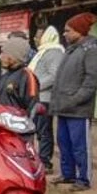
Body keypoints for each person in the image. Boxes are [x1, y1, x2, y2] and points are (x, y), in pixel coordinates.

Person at [50, 12, 97, 192]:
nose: (64, 34)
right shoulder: (71, 49)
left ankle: (83, 178)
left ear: (79, 31)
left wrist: (74, 100)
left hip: (78, 110)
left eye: (68, 31)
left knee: (80, 146)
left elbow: (90, 83)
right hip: (64, 108)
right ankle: (68, 174)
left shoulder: (92, 51)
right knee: (64, 143)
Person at [28, 26, 65, 173]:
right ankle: (37, 159)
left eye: (38, 36)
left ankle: (45, 161)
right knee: (36, 130)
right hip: (37, 98)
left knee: (44, 132)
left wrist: (35, 86)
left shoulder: (54, 52)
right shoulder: (43, 52)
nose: (35, 39)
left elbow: (54, 76)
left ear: (46, 37)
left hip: (44, 98)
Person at [0, 36, 39, 115]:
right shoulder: (5, 76)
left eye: (3, 53)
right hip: (2, 124)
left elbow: (33, 108)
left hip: (17, 125)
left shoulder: (27, 77)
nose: (0, 57)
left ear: (14, 56)